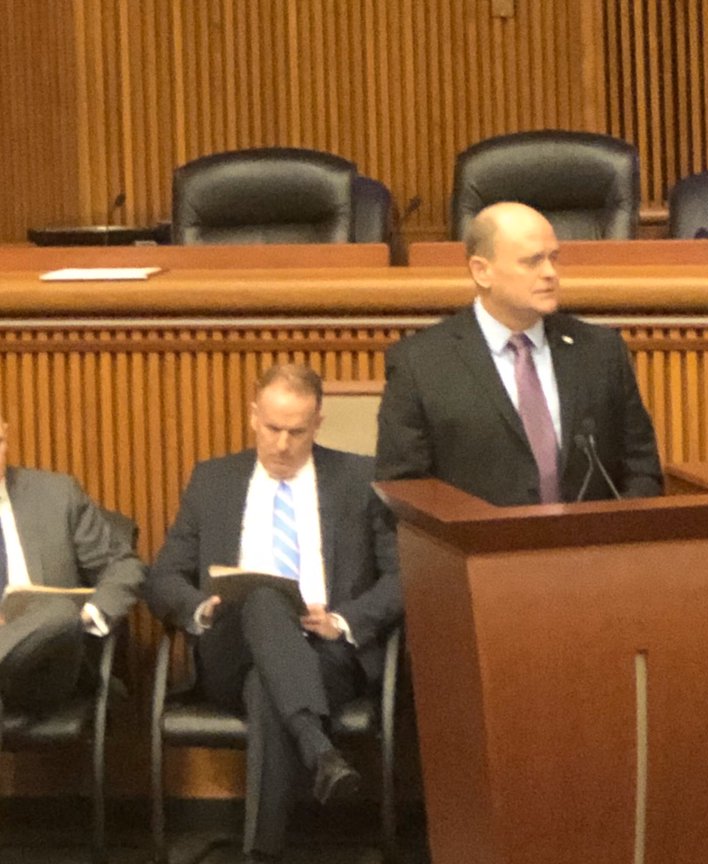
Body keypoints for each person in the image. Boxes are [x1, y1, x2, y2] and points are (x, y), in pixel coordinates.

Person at [145, 364, 401, 861]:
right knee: (263, 597)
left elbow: (402, 577)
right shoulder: (214, 480)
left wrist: (342, 621)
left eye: (297, 432)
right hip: (231, 647)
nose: (282, 445)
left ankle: (263, 851)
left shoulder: (358, 479)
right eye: (272, 429)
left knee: (267, 686)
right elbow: (163, 577)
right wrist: (201, 608)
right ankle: (319, 750)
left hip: (324, 652)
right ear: (253, 417)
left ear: (318, 423)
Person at [374, 201, 662, 505]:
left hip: (591, 536)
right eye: (532, 261)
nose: (550, 273)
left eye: (553, 258)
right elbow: (403, 490)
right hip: (475, 536)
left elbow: (641, 468)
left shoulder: (601, 351)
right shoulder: (420, 363)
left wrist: (614, 531)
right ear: (482, 271)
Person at [0, 412, 144, 746]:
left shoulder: (56, 495)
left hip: (48, 666)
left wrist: (87, 615)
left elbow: (123, 566)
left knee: (60, 610)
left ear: (6, 435)